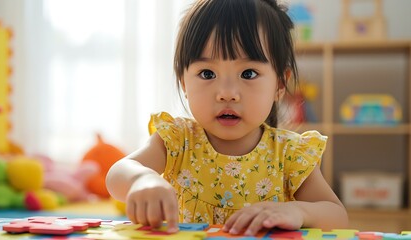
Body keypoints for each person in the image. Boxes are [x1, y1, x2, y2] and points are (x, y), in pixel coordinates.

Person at [106, 0, 348, 236]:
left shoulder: (289, 153)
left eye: (248, 73)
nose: (227, 94)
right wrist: (142, 179)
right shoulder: (177, 140)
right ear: (184, 83)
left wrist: (298, 211)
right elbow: (118, 172)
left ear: (279, 85)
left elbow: (336, 215)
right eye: (207, 73)